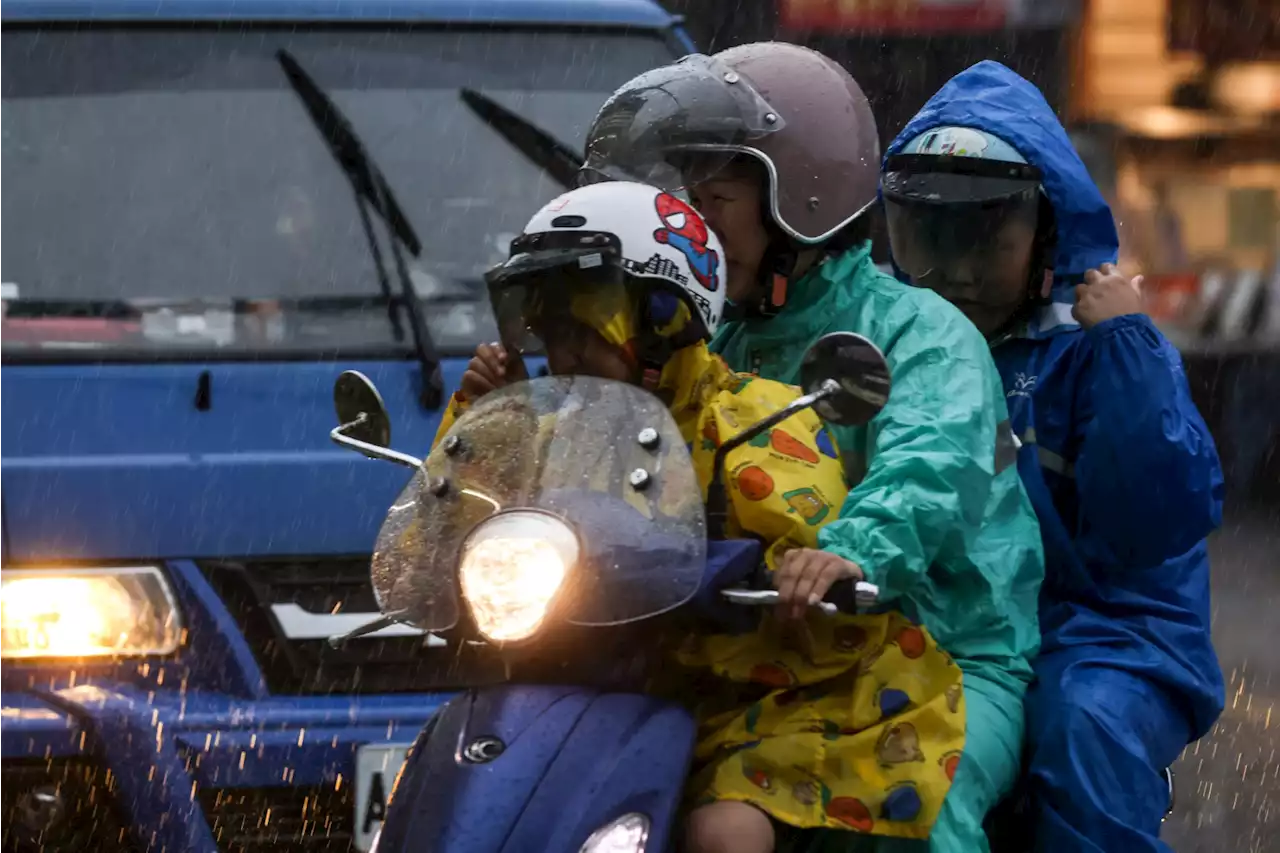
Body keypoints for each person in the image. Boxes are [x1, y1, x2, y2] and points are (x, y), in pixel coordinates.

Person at [437, 180, 1039, 853]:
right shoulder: (558, 429)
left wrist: (811, 563)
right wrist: (480, 422)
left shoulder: (747, 417)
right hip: (636, 682)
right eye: (550, 335)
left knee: (726, 832)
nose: (565, 358)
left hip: (780, 691)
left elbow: (819, 522)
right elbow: (473, 517)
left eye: (584, 334)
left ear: (662, 319)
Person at [575, 43, 1045, 853]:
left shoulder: (919, 333)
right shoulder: (706, 333)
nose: (696, 216)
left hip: (932, 650)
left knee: (923, 815)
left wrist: (847, 553)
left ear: (803, 197)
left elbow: (926, 468)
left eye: (716, 194)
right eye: (689, 190)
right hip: (751, 652)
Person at [879, 61, 1225, 853]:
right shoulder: (891, 338)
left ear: (1047, 228)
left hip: (1106, 627)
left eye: (985, 239)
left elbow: (1157, 518)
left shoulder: (1097, 344)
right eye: (930, 237)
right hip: (946, 616)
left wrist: (1128, 347)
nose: (957, 271)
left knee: (1081, 729)